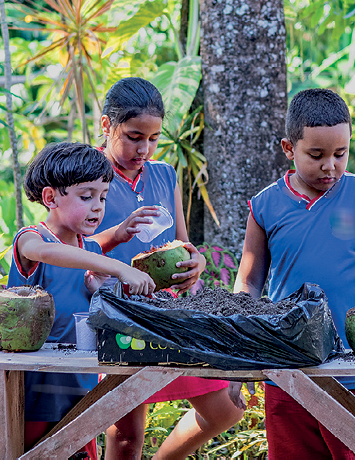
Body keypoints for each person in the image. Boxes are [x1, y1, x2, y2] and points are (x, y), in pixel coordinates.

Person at [232, 88, 355, 459]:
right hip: (287, 366)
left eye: (341, 154)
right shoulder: (265, 205)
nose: (331, 166)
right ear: (288, 148)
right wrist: (240, 353)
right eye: (316, 155)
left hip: (353, 367)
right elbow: (249, 281)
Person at [91, 77, 245, 460]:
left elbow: (181, 242)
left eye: (154, 138)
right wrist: (118, 236)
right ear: (106, 125)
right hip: (117, 315)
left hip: (172, 314)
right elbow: (66, 247)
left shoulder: (165, 175)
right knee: (126, 436)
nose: (144, 148)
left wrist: (197, 263)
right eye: (133, 136)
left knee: (226, 408)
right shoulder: (87, 174)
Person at [9, 142, 156, 456]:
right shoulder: (32, 238)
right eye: (86, 196)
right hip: (33, 398)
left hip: (81, 395)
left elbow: (89, 252)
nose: (97, 206)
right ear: (50, 198)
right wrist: (118, 266)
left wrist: (119, 235)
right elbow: (50, 253)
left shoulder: (86, 249)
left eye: (102, 196)